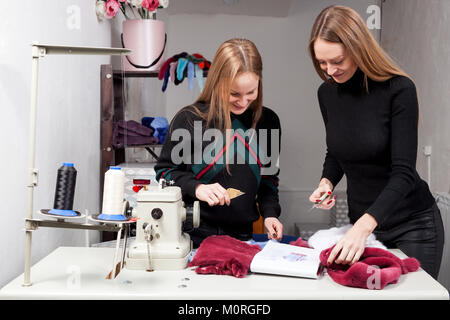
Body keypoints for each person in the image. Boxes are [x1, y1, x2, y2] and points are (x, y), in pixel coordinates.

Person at [307, 5, 444, 279]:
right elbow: (336, 152)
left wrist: (362, 228)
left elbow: (403, 173)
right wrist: (326, 183)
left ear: (357, 47)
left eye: (337, 61)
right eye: (322, 63)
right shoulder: (327, 94)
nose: (330, 70)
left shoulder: (399, 89)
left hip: (412, 225)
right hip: (365, 225)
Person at [155, 38, 284, 248]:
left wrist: (270, 215)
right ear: (217, 82)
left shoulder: (268, 122)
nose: (243, 102)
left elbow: (269, 179)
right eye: (234, 94)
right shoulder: (189, 119)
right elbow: (165, 172)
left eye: (251, 92)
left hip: (243, 236)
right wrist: (197, 188)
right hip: (192, 235)